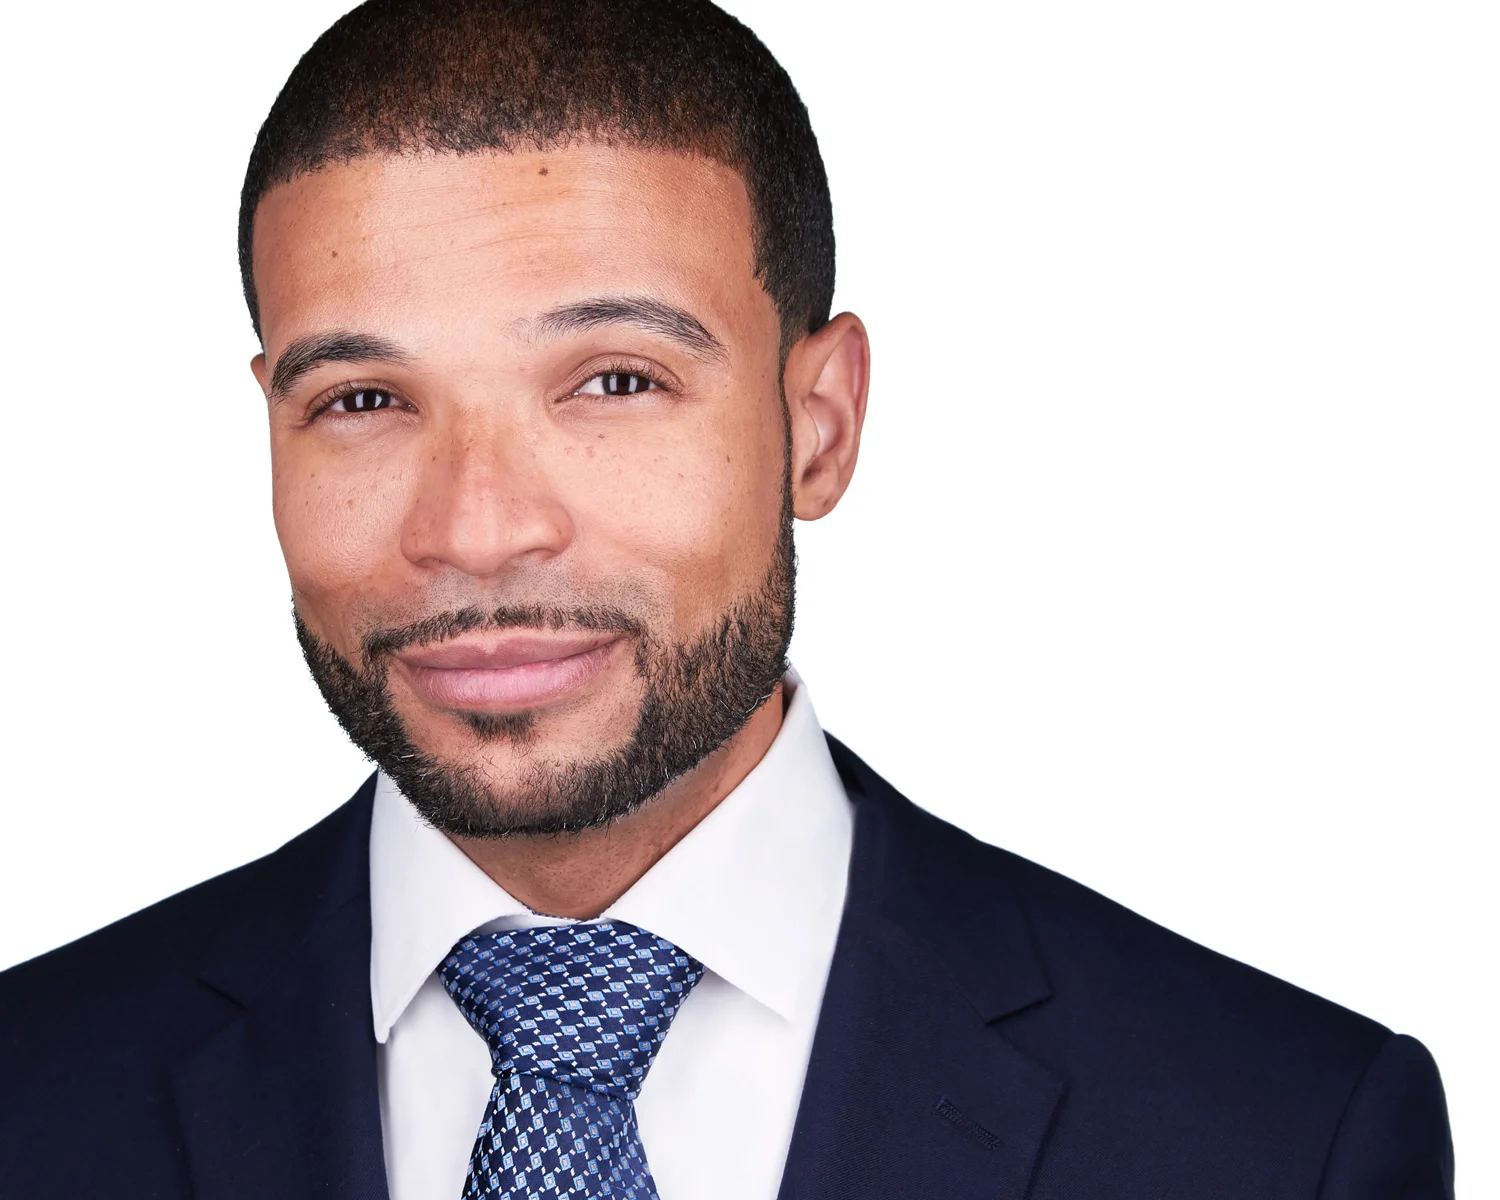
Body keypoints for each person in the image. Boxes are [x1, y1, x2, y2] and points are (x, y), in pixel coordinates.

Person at [0, 0, 1454, 1196]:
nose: (478, 530)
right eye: (365, 398)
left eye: (616, 381)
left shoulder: (1284, 1136)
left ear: (818, 424)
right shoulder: (34, 1096)